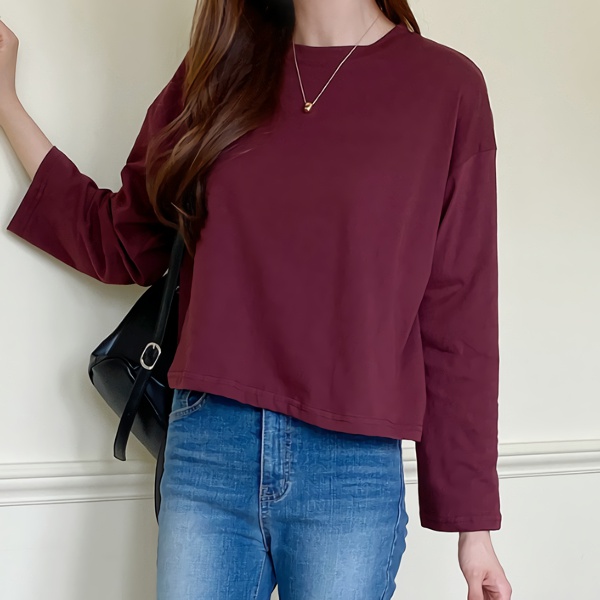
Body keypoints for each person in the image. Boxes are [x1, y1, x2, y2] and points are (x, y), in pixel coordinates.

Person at [0, 1, 512, 598]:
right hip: (208, 448)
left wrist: (474, 530)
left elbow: (459, 319)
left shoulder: (446, 88)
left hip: (349, 468)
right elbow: (121, 242)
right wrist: (7, 103)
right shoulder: (218, 72)